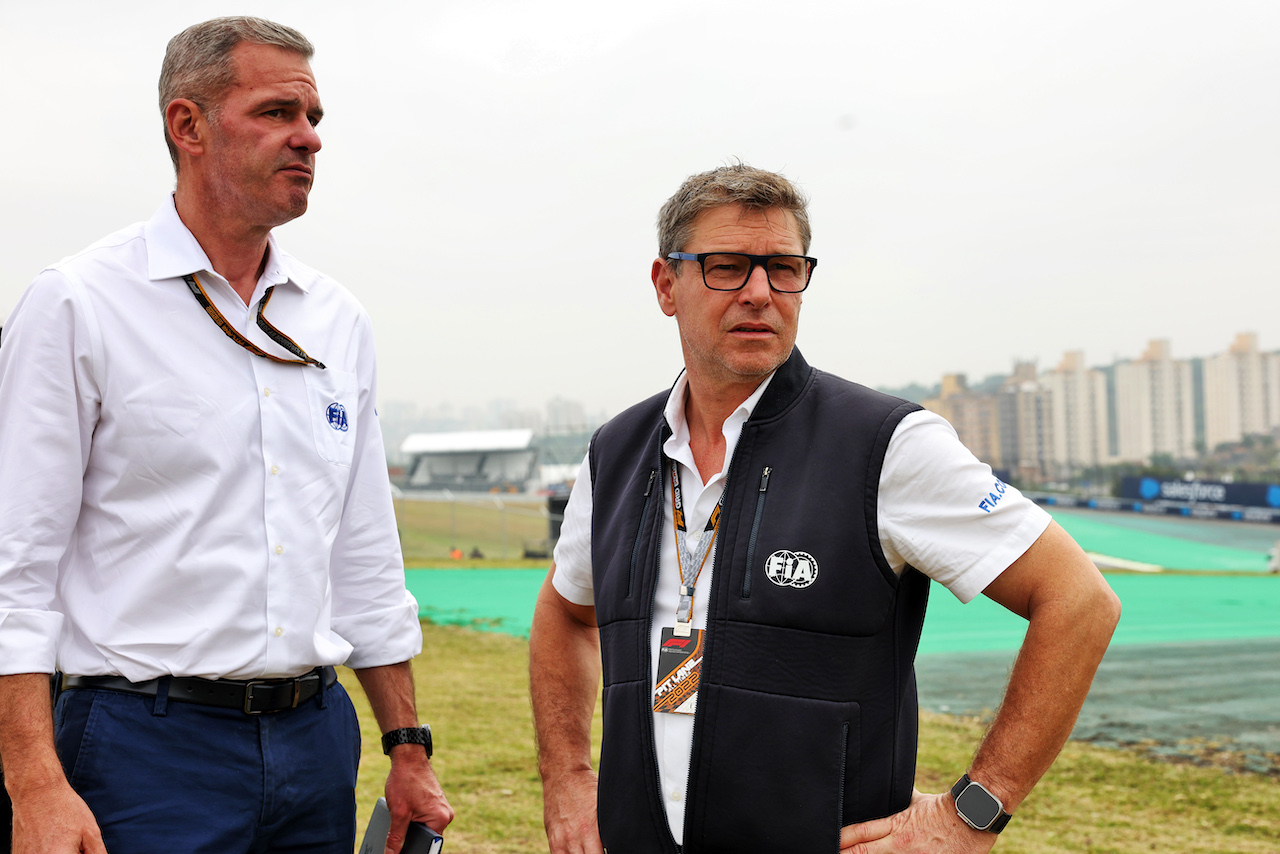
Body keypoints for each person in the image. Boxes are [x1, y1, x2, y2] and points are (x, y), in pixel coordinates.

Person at [529, 164, 1121, 853]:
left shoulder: (888, 445)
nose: (759, 292)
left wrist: (973, 813)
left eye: (783, 268)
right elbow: (566, 612)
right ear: (667, 285)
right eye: (727, 267)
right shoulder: (616, 452)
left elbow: (1079, 600)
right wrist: (568, 782)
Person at [0, 17, 453, 854]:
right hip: (142, 748)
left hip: (315, 744)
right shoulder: (78, 305)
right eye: (279, 112)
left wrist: (407, 747)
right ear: (188, 125)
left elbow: (363, 556)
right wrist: (34, 784)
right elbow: (12, 573)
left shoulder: (335, 319)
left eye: (315, 118)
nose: (309, 139)